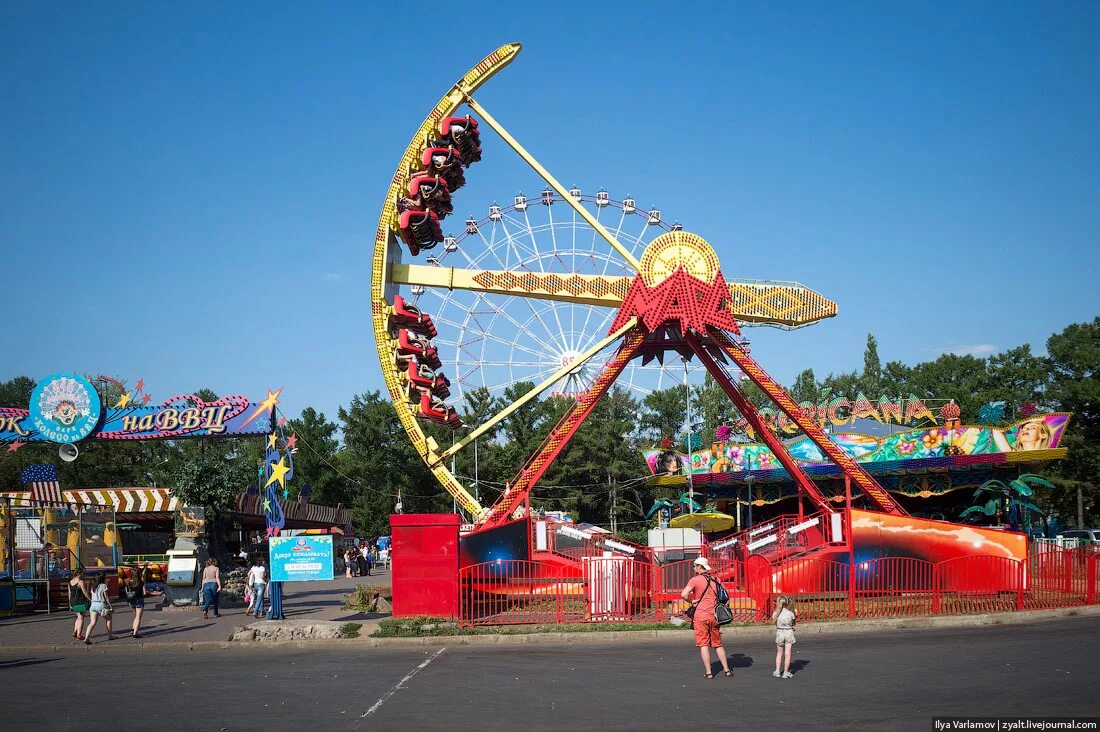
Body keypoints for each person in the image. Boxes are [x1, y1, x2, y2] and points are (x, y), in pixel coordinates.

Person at [680, 557, 732, 679]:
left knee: (704, 645)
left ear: (699, 567)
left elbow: (683, 595)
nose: (694, 568)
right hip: (715, 616)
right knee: (718, 644)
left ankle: (709, 673)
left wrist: (692, 601)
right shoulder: (716, 579)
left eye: (694, 566)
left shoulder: (695, 580)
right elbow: (724, 596)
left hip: (701, 616)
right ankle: (727, 670)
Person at [82, 572, 114, 644]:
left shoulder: (93, 586)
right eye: (105, 577)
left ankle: (86, 637)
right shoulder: (104, 586)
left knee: (92, 623)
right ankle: (110, 636)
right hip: (101, 604)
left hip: (93, 605)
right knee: (108, 620)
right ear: (102, 578)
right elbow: (106, 597)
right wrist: (110, 606)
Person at [772, 595, 797, 679]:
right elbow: (793, 623)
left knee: (779, 653)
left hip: (780, 632)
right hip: (788, 632)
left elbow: (774, 622)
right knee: (788, 654)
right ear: (787, 603)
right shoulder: (790, 613)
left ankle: (777, 671)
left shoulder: (776, 613)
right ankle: (786, 672)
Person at [123, 565, 147, 638]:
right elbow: (145, 593)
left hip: (131, 600)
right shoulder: (141, 582)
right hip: (139, 600)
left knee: (136, 616)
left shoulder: (128, 582)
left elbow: (126, 591)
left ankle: (133, 630)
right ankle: (135, 634)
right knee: (138, 617)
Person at [69, 568, 90, 641]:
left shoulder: (70, 582)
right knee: (81, 618)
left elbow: (69, 593)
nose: (84, 575)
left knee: (78, 617)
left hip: (73, 601)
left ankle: (75, 631)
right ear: (79, 574)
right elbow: (84, 592)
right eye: (83, 573)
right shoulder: (80, 581)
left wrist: (70, 603)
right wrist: (90, 599)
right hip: (80, 601)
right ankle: (79, 635)